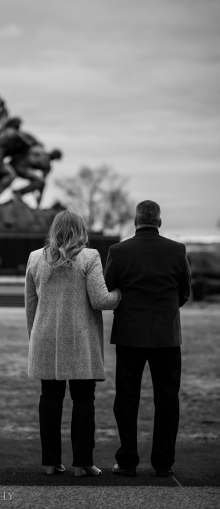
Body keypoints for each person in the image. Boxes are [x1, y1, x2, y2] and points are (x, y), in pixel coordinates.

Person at [25, 210, 121, 476]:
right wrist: (120, 294)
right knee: (83, 399)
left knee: (50, 397)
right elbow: (100, 300)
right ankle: (82, 462)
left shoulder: (35, 258)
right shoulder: (89, 256)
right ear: (81, 230)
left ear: (54, 229)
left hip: (44, 337)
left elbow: (30, 305)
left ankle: (49, 462)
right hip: (80, 339)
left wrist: (33, 338)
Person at [104, 200, 191, 478]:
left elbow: (108, 289)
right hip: (167, 336)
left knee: (127, 399)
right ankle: (163, 463)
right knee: (167, 399)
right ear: (159, 222)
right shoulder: (177, 250)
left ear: (135, 221)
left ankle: (127, 461)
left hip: (129, 334)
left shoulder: (119, 251)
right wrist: (165, 311)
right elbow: (184, 292)